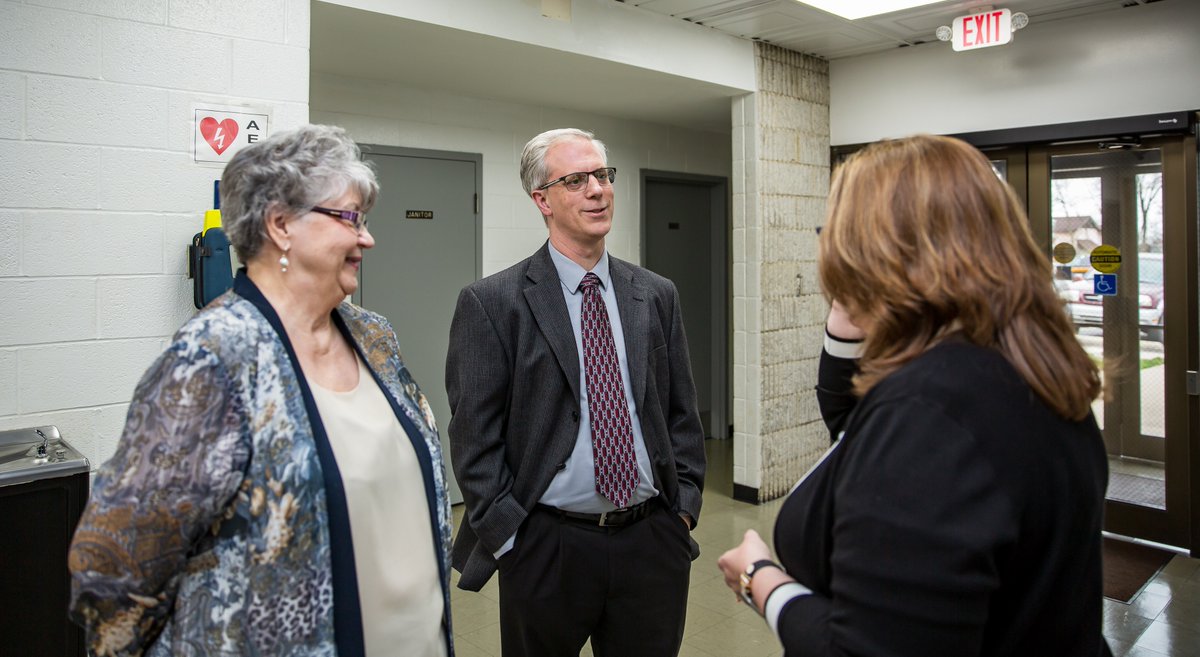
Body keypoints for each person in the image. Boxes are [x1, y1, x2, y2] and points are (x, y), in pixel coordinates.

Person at [68, 124, 454, 657]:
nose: (366, 238)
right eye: (349, 218)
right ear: (280, 226)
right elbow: (115, 566)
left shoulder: (373, 336)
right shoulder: (212, 359)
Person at [718, 134, 1112, 656]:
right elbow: (849, 421)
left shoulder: (930, 413)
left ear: (876, 250)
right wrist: (848, 313)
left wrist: (760, 580)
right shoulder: (1029, 369)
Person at [445, 128, 706, 656]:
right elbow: (474, 437)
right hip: (546, 547)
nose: (597, 190)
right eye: (576, 179)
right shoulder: (493, 303)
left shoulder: (654, 295)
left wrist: (682, 512)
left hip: (650, 541)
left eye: (603, 175)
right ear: (542, 199)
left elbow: (681, 412)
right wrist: (510, 538)